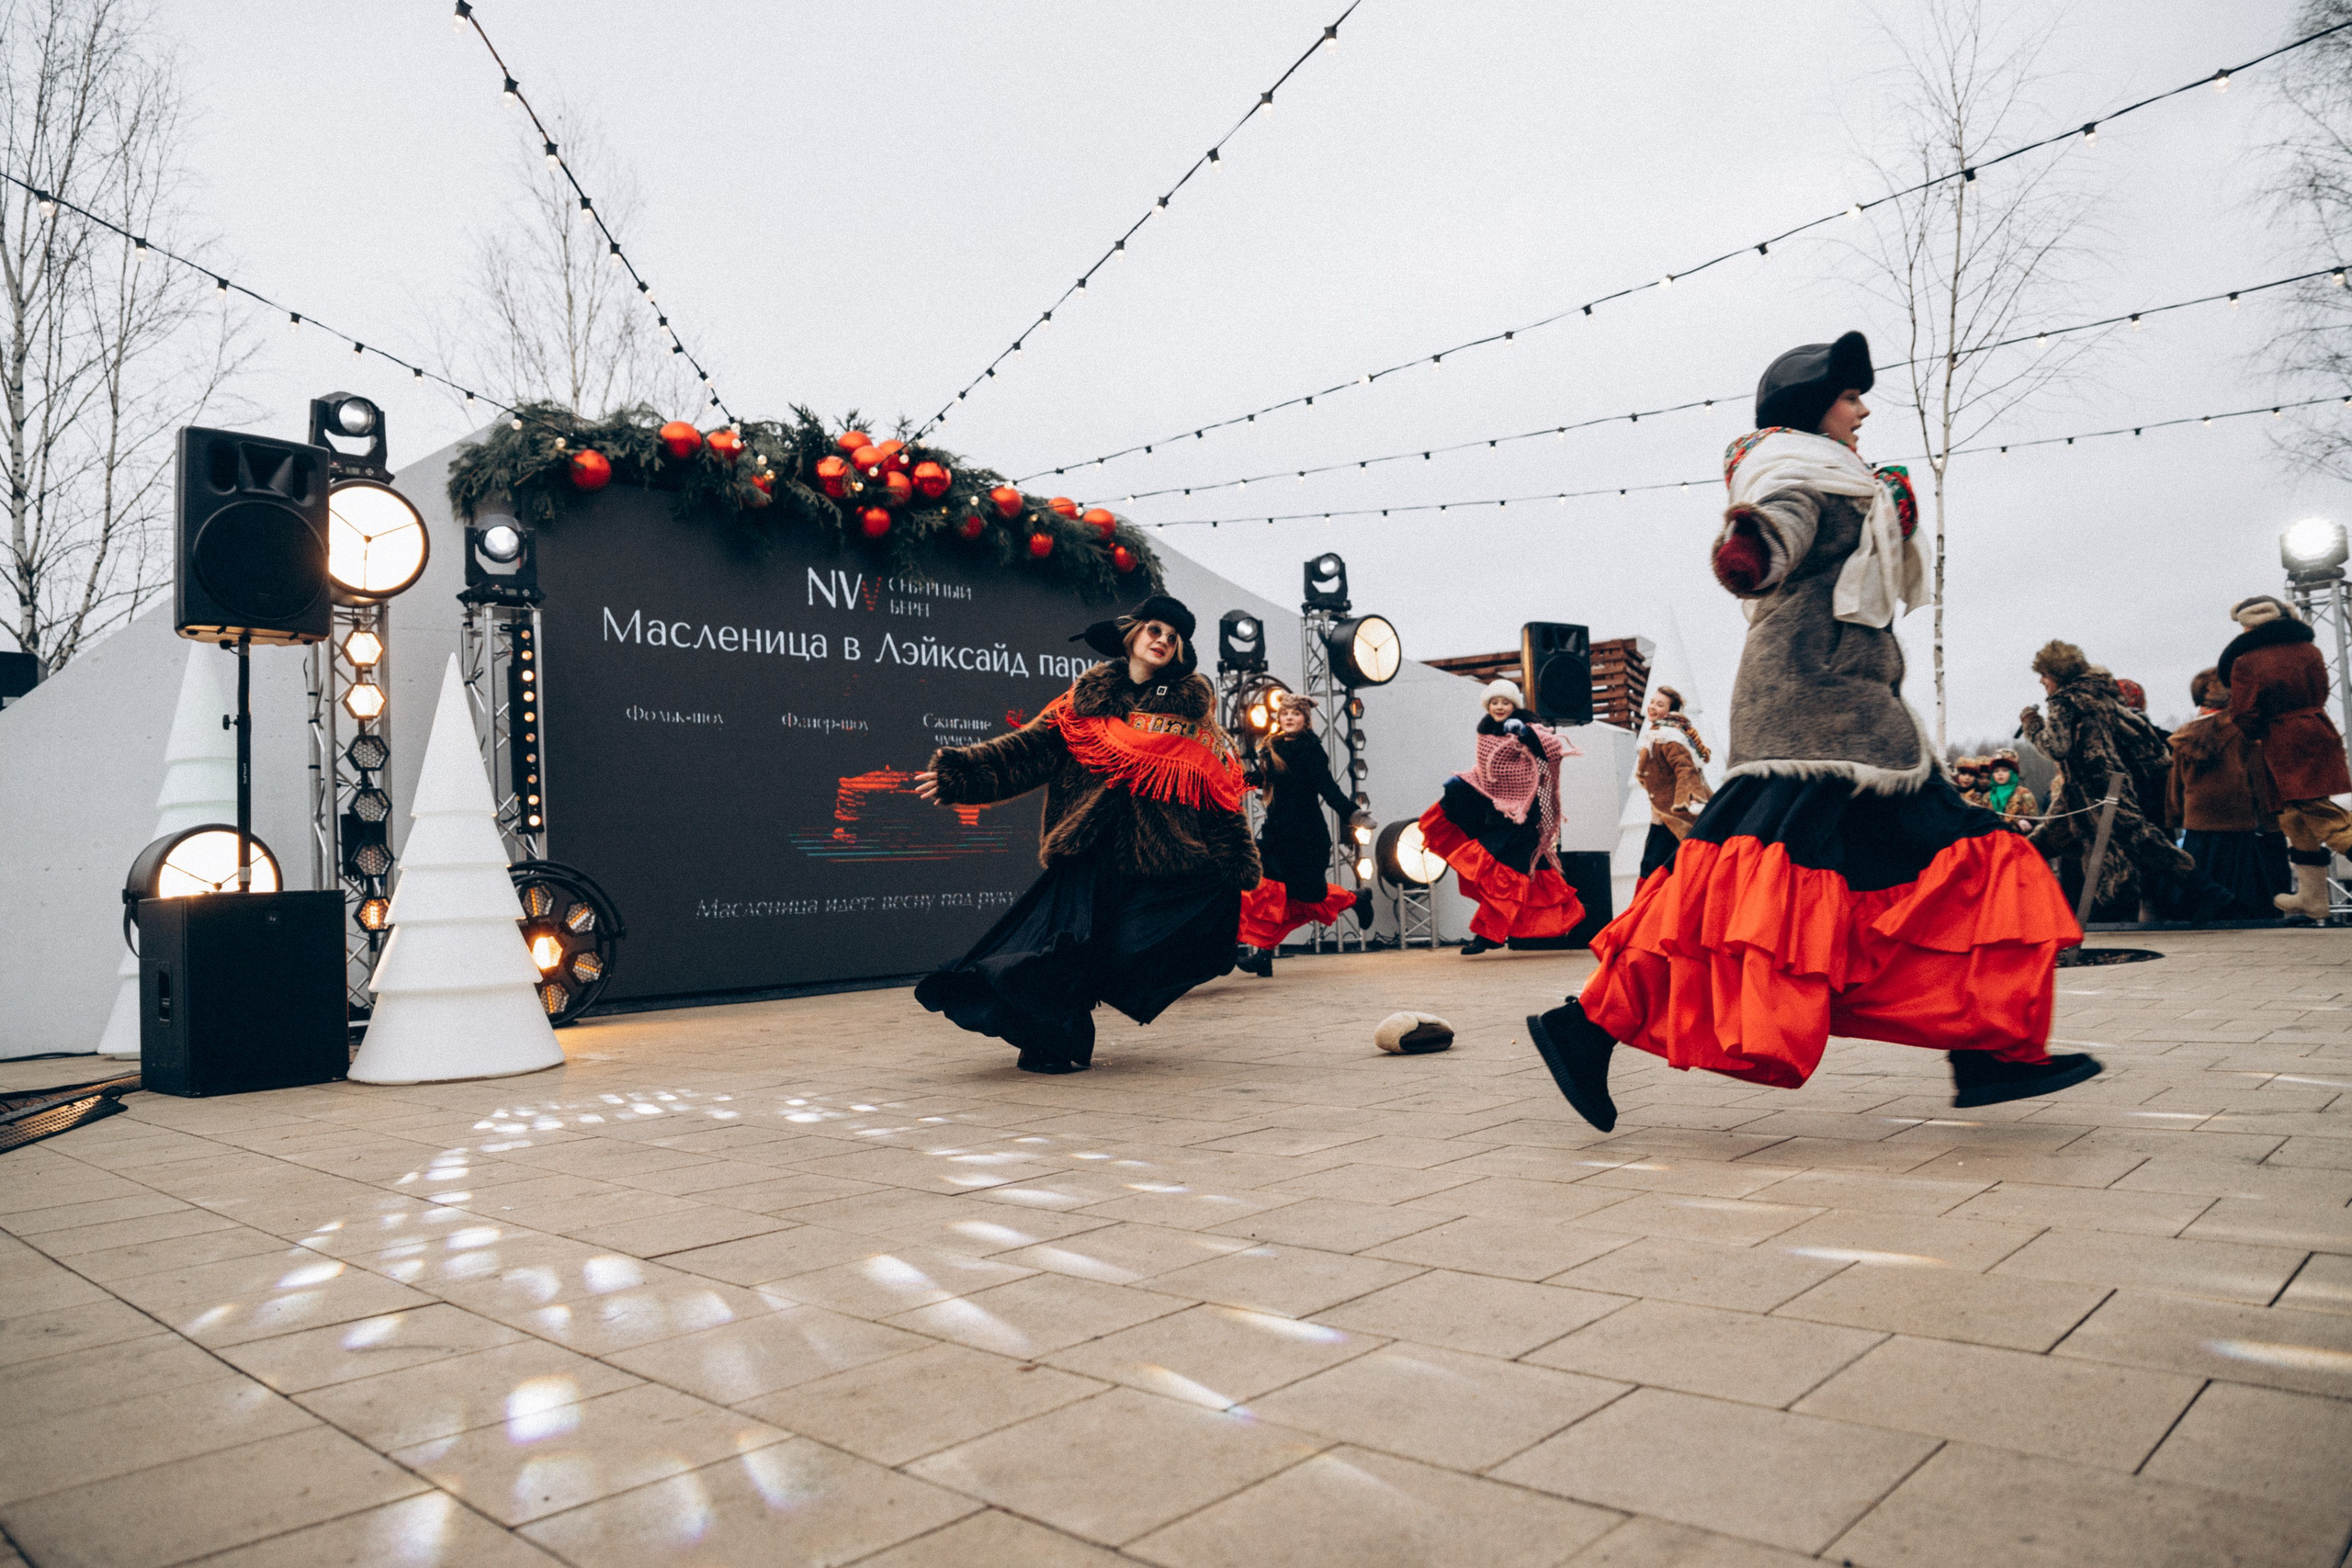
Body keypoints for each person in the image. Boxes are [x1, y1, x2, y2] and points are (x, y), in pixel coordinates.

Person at [1526, 330, 2097, 1128]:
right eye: (1848, 394)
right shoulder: (1791, 471)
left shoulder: (1848, 479)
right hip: (1807, 721)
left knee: (1961, 866)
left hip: (1866, 722)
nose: (1862, 409)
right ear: (1810, 404)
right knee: (1731, 898)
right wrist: (1750, 547)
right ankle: (1584, 1027)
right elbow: (1774, 521)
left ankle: (1990, 1048)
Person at [912, 594, 1260, 1073]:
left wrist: (1235, 856)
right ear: (1132, 634)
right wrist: (963, 773)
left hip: (1154, 860)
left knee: (1118, 947)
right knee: (1057, 951)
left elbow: (1216, 793)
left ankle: (1063, 1033)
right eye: (1155, 629)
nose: (1162, 640)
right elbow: (1029, 751)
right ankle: (1052, 1041)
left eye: (1173, 637)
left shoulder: (1188, 717)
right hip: (1086, 849)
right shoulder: (1083, 705)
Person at [2022, 640, 2228, 922]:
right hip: (2098, 787)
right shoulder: (2099, 695)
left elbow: (2056, 747)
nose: (2042, 682)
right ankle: (2208, 893)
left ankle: (2209, 893)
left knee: (2144, 844)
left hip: (2094, 789)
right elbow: (2139, 731)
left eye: (2044, 675)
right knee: (2046, 841)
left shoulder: (2064, 701)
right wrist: (2154, 764)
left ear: (2056, 673)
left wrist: (2032, 724)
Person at [1418, 678, 1584, 954]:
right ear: (1488, 705)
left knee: (1510, 875)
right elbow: (1486, 773)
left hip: (1524, 813)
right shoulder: (1485, 730)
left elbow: (1552, 747)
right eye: (1494, 702)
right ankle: (1490, 935)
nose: (1499, 706)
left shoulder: (1527, 725)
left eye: (1505, 702)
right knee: (1503, 875)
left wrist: (1525, 735)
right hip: (1497, 811)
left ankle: (1489, 936)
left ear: (1513, 705)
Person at [2221, 594, 2352, 919]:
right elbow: (2321, 691)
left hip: (2281, 739)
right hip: (2318, 727)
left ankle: (2314, 892)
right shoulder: (2310, 650)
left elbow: (2244, 711)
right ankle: (2312, 897)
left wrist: (2257, 732)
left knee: (2317, 811)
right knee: (2293, 816)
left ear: (2246, 624)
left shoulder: (2246, 660)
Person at [1236, 694, 1374, 976]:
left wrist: (1352, 813)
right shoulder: (1270, 748)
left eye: (1295, 714)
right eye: (1284, 713)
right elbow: (1262, 781)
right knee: (1268, 894)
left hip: (1306, 837)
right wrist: (1229, 780)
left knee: (1305, 899)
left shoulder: (1311, 751)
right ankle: (1262, 953)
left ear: (1305, 719)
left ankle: (1355, 899)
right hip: (1276, 835)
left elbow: (1328, 788)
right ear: (1278, 718)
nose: (1289, 717)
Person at [2165, 667, 2287, 918]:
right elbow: (2258, 779)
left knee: (2200, 894)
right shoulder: (2244, 732)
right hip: (2237, 821)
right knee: (2244, 899)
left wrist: (2175, 816)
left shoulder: (2184, 736)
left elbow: (2175, 783)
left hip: (2198, 823)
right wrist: (2270, 820)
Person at [1634, 685, 1712, 881]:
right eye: (1652, 702)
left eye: (1660, 705)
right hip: (1663, 813)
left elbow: (1686, 769)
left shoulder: (1669, 737)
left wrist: (1685, 800)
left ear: (1670, 711)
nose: (1652, 707)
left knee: (1655, 869)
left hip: (1675, 815)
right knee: (1657, 867)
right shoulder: (1661, 732)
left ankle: (1653, 909)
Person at [1984, 750, 2040, 833]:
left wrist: (2025, 822)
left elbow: (2033, 817)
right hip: (1992, 838)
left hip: (2018, 837)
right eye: (1996, 771)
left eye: (2005, 770)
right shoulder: (1987, 796)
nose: (2000, 774)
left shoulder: (2023, 793)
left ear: (2013, 773)